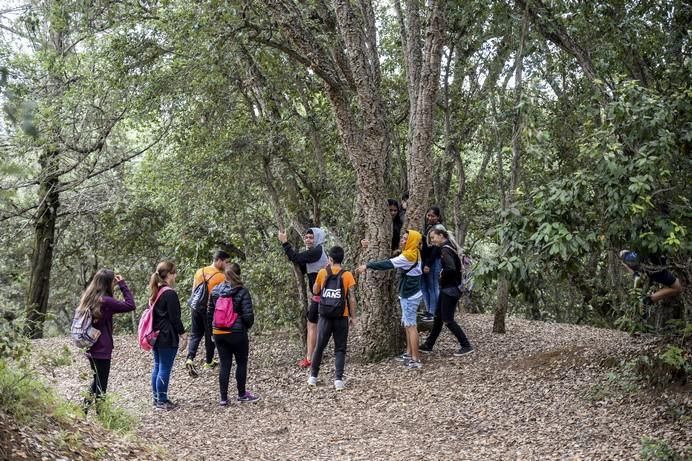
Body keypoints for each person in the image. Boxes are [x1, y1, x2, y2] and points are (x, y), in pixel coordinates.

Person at [358, 230, 423, 369]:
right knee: (407, 324)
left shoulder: (408, 256)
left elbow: (387, 264)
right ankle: (409, 353)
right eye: (402, 238)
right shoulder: (414, 252)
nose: (402, 240)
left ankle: (416, 359)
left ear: (412, 241)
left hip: (410, 295)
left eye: (406, 239)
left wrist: (368, 265)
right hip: (410, 293)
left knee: (411, 327)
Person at [77, 269, 136, 412]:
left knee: (97, 380)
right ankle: (100, 415)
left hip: (90, 346)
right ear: (108, 283)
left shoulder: (90, 297)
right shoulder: (106, 301)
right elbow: (130, 305)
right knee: (101, 383)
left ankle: (83, 410)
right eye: (113, 282)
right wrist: (122, 284)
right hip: (102, 348)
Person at [208, 262, 259, 405]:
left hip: (218, 332)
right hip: (237, 332)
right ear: (239, 274)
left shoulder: (215, 291)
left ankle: (223, 398)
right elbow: (248, 316)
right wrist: (244, 326)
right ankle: (242, 394)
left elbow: (210, 313)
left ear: (225, 274)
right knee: (241, 363)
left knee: (225, 364)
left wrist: (211, 330)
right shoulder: (242, 291)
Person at [419, 225, 474, 356]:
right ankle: (428, 344)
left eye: (433, 238)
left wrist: (442, 274)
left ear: (441, 235)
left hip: (450, 289)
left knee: (447, 319)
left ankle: (466, 345)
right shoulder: (450, 246)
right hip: (450, 288)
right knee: (438, 318)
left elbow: (451, 269)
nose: (432, 241)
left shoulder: (445, 250)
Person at [278, 227, 328, 368]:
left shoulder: (317, 251)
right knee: (314, 324)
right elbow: (300, 262)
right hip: (318, 296)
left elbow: (296, 257)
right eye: (306, 237)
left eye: (311, 237)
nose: (308, 240)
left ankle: (310, 358)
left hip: (322, 296)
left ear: (318, 238)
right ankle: (313, 356)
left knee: (313, 325)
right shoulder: (314, 252)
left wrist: (285, 243)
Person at [308, 246, 357, 390]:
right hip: (342, 315)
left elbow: (315, 290)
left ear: (330, 259)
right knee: (340, 348)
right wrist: (354, 317)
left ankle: (313, 377)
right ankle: (338, 380)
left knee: (319, 346)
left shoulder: (323, 272)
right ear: (342, 258)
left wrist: (320, 276)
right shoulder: (347, 275)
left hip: (325, 315)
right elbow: (352, 298)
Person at [185, 250, 229, 377]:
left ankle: (190, 358)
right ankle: (209, 361)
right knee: (210, 335)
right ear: (219, 260)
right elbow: (220, 296)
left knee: (195, 334)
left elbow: (194, 290)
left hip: (196, 307)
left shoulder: (200, 271)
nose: (226, 265)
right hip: (209, 309)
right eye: (226, 262)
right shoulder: (221, 276)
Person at [150, 260, 187, 410]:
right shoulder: (170, 293)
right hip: (167, 335)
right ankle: (162, 400)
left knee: (158, 366)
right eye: (174, 273)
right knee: (164, 368)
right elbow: (174, 318)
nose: (176, 276)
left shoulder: (156, 291)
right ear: (169, 275)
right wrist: (183, 334)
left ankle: (157, 398)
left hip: (156, 334)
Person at [420, 206, 443, 321]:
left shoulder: (438, 228)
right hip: (425, 260)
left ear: (438, 217)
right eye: (428, 215)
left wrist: (428, 264)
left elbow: (436, 248)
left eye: (432, 216)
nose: (429, 218)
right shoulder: (428, 227)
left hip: (433, 261)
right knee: (424, 286)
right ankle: (429, 311)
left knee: (433, 286)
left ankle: (433, 313)